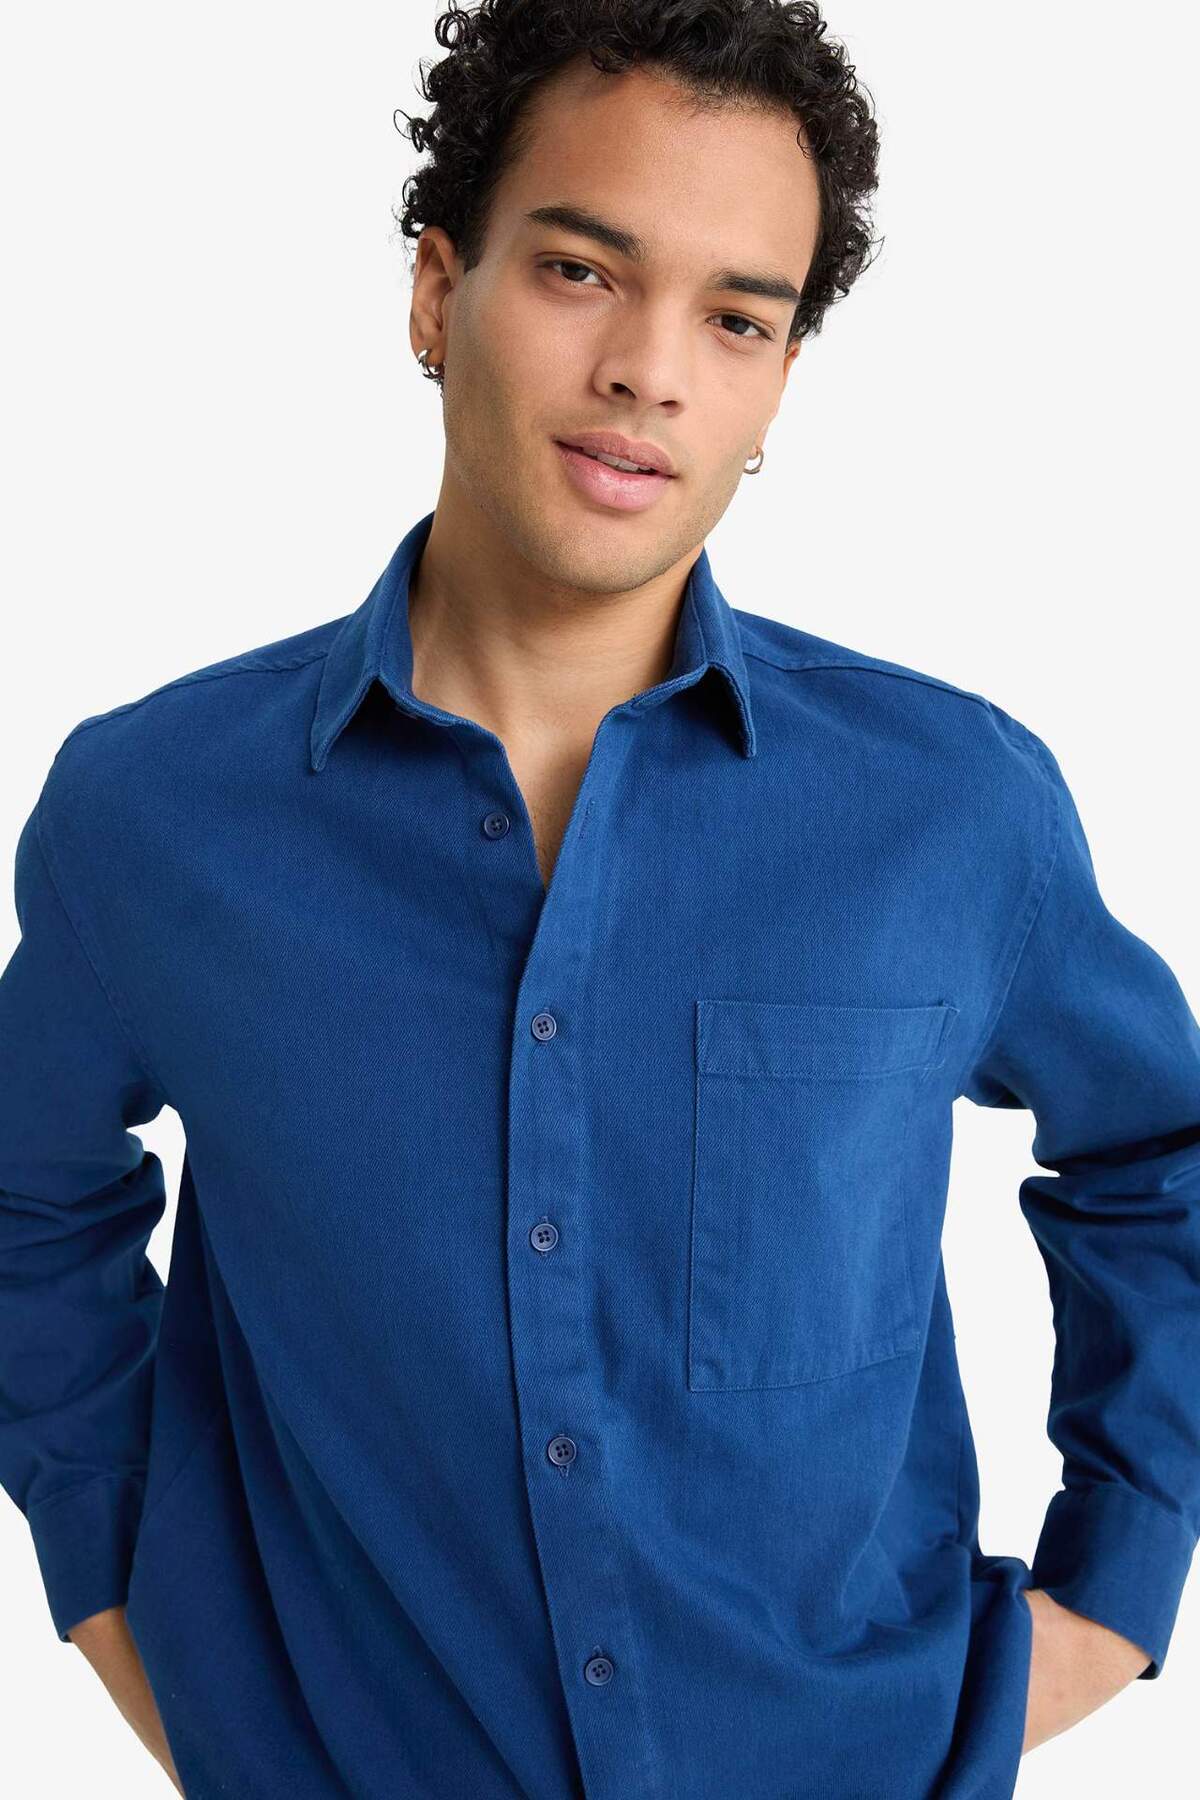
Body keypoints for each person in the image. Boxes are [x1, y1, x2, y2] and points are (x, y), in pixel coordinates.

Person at [2, 2, 1197, 1795]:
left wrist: (1110, 1595)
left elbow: (1164, 1158)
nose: (652, 371)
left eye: (737, 318)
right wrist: (120, 1595)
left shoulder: (954, 813)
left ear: (779, 383)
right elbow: (23, 1195)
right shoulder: (157, 817)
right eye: (581, 271)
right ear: (437, 292)